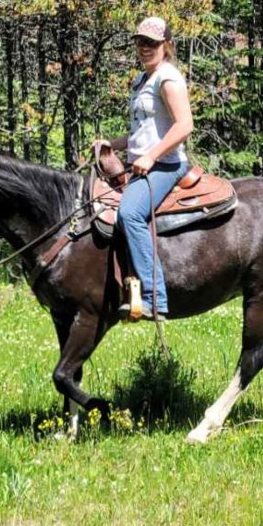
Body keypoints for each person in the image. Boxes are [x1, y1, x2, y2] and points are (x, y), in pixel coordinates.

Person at [103, 16, 194, 319]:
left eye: (152, 43)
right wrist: (111, 144)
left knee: (129, 213)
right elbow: (142, 131)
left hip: (167, 164)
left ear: (166, 45)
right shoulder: (141, 80)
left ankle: (156, 298)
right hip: (143, 163)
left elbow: (184, 126)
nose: (145, 48)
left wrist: (152, 156)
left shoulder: (168, 78)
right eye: (140, 42)